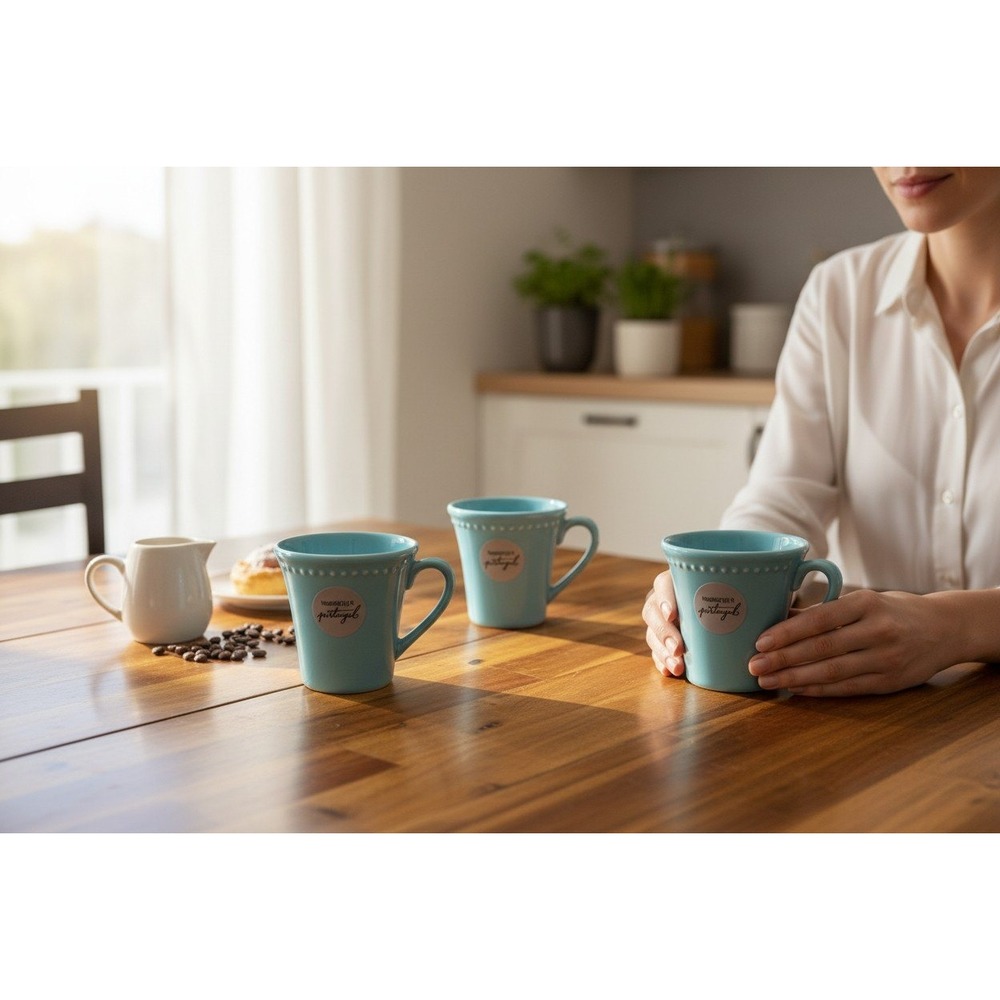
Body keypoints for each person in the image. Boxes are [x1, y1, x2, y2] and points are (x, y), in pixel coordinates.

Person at [643, 167, 1000, 696]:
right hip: (872, 730)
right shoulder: (839, 293)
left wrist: (956, 627)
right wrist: (723, 574)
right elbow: (783, 495)